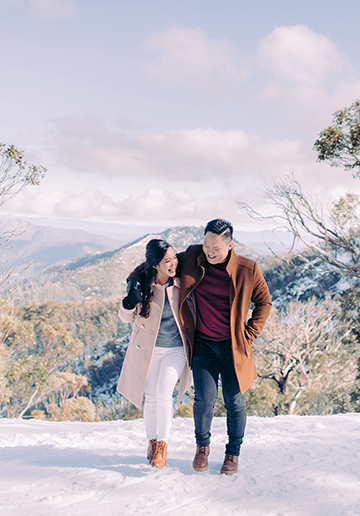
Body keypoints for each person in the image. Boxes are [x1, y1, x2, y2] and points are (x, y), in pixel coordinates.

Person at [128, 219, 271, 475]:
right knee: (203, 400)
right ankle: (202, 448)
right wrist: (133, 283)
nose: (209, 251)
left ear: (230, 245)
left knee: (234, 401)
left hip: (233, 347)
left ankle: (232, 453)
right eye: (206, 244)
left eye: (215, 247)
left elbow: (264, 302)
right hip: (203, 344)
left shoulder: (248, 270)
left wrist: (249, 334)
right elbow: (154, 263)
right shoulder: (193, 256)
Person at [117, 239, 191, 469]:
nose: (173, 264)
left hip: (176, 350)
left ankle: (162, 444)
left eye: (174, 259)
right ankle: (151, 441)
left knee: (163, 391)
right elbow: (125, 317)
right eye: (167, 261)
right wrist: (129, 302)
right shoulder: (143, 286)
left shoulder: (181, 283)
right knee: (150, 396)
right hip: (150, 350)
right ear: (155, 265)